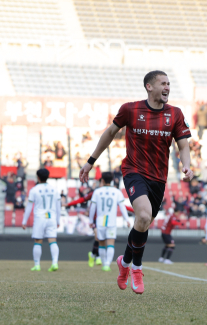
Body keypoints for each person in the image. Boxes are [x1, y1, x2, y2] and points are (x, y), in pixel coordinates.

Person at [79, 70, 194, 295]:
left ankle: (124, 262)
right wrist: (91, 161)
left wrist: (186, 165)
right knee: (142, 216)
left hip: (159, 178)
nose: (168, 87)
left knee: (142, 224)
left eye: (169, 83)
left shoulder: (176, 114)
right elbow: (111, 132)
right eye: (163, 83)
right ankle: (137, 269)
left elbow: (183, 144)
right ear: (149, 87)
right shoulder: (130, 109)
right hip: (134, 171)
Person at [88, 172, 131, 271]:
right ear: (112, 180)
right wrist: (127, 219)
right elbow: (122, 207)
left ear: (102, 180)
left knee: (101, 243)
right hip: (111, 221)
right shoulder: (117, 192)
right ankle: (107, 264)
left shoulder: (97, 192)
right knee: (111, 243)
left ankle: (104, 264)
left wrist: (91, 221)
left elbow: (92, 207)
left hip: (100, 221)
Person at [22, 168, 60, 272]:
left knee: (38, 241)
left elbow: (29, 206)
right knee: (53, 241)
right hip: (51, 217)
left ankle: (37, 265)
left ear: (38, 177)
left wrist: (24, 221)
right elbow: (58, 206)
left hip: (40, 218)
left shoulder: (34, 190)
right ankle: (55, 263)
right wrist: (58, 220)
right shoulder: (54, 189)